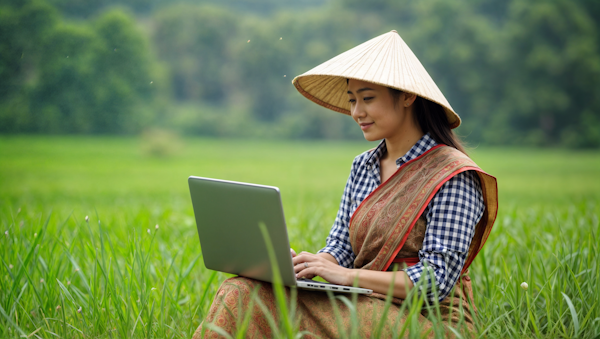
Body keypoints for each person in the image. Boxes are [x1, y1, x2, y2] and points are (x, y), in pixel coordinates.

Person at [193, 30, 498, 338]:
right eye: (352, 100)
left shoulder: (453, 174)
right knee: (243, 289)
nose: (356, 112)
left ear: (407, 96)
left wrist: (347, 276)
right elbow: (341, 247)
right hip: (365, 301)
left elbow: (436, 281)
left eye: (367, 99)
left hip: (428, 321)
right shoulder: (363, 166)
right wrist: (310, 264)